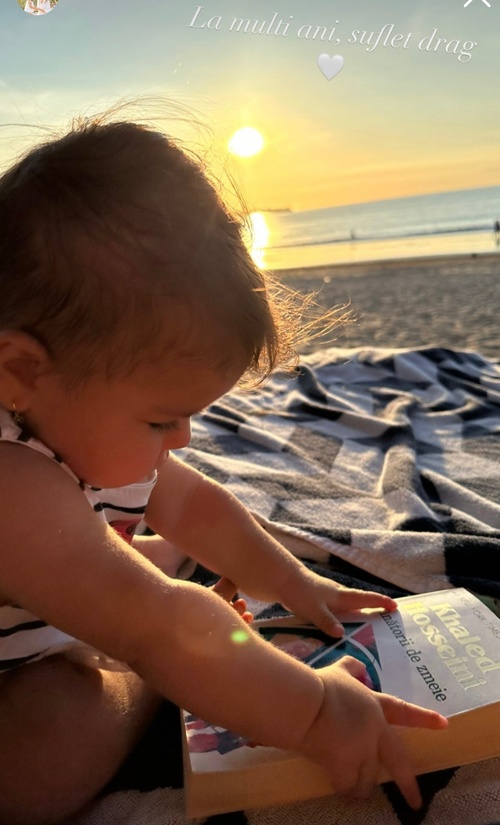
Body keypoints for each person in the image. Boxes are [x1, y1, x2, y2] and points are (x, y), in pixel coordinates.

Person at [0, 112, 447, 824]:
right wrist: (315, 710)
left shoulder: (69, 414)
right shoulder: (12, 486)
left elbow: (196, 504)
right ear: (22, 371)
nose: (181, 438)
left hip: (52, 600)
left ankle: (127, 567)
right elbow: (159, 623)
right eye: (159, 420)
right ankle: (141, 664)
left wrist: (295, 583)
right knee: (29, 774)